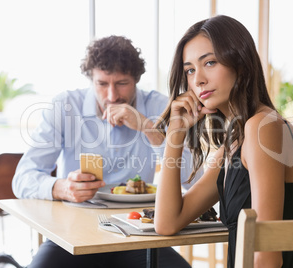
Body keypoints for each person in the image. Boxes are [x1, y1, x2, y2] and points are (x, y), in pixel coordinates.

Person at [153, 15, 293, 268]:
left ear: (241, 64)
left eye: (210, 62)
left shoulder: (262, 127)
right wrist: (175, 134)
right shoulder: (236, 140)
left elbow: (267, 256)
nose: (198, 79)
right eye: (190, 69)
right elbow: (167, 222)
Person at [12, 35, 197, 268]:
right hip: (74, 234)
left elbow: (192, 180)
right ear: (91, 79)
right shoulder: (65, 107)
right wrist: (63, 188)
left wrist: (147, 128)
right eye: (102, 84)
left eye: (122, 83)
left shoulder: (158, 107)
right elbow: (22, 178)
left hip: (139, 234)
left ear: (136, 80)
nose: (112, 96)